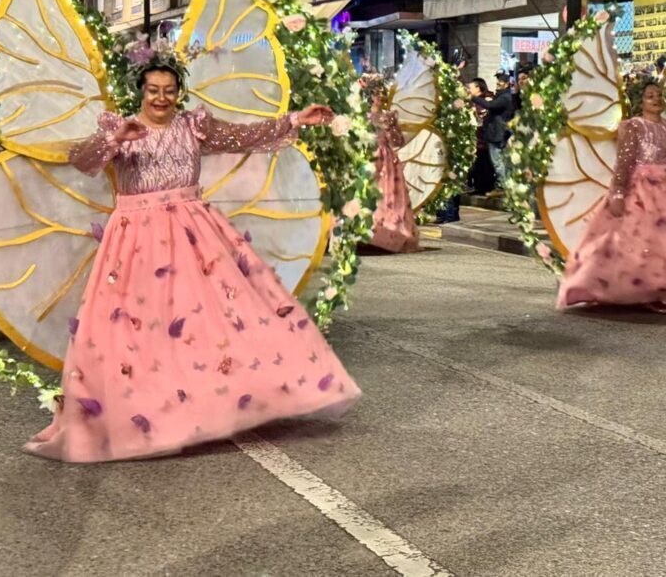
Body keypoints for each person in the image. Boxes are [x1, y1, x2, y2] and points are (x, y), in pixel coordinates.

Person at [25, 54, 360, 462]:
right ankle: (147, 410)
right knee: (137, 327)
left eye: (169, 91)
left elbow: (243, 136)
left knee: (208, 320)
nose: (161, 99)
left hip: (192, 231)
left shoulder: (193, 126)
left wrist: (294, 120)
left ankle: (211, 399)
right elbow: (83, 160)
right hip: (135, 238)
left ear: (179, 93)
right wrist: (115, 140)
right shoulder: (119, 127)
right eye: (153, 91)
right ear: (141, 93)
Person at [556, 77, 666, 312]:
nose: (656, 99)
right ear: (640, 101)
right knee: (644, 243)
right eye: (650, 96)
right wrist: (617, 193)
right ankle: (646, 292)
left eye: (659, 95)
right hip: (642, 191)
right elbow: (623, 164)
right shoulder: (633, 126)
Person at [364, 75, 420, 253]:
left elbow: (398, 141)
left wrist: (391, 130)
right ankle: (367, 230)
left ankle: (389, 231)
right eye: (376, 93)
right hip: (367, 158)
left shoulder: (389, 116)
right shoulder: (361, 116)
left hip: (387, 161)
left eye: (382, 93)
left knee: (389, 196)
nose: (380, 97)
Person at [470, 72, 516, 193]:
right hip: (495, 132)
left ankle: (504, 187)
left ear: (506, 84)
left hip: (498, 133)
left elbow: (491, 106)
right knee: (498, 162)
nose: (497, 85)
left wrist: (473, 98)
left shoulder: (505, 97)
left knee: (498, 163)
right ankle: (503, 186)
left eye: (499, 83)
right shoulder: (502, 95)